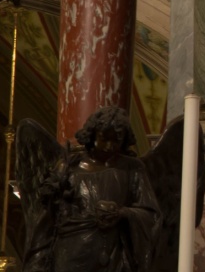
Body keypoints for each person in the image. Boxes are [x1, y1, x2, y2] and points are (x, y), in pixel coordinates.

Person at [25, 107, 161, 272]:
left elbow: (152, 215)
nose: (109, 146)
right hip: (71, 253)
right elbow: (47, 218)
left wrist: (122, 213)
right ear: (91, 135)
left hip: (112, 255)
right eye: (104, 139)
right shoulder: (69, 167)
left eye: (116, 140)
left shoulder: (132, 169)